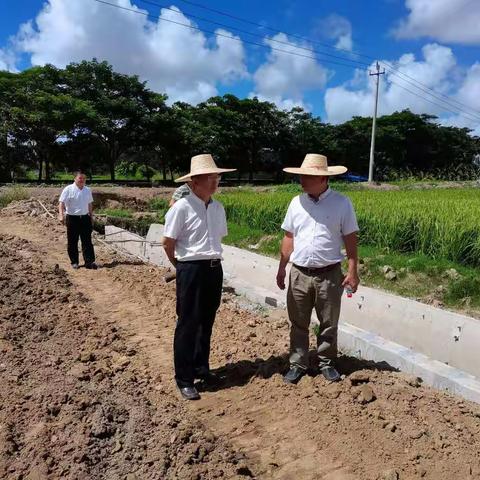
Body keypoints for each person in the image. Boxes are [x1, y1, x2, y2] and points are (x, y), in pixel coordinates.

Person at [276, 154, 359, 384]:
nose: (302, 180)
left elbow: (350, 238)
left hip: (330, 273)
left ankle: (327, 362)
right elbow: (288, 237)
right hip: (300, 273)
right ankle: (297, 363)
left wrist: (352, 270)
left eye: (308, 176)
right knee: (298, 322)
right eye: (301, 175)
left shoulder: (342, 203)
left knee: (329, 322)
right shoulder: (296, 202)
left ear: (323, 178)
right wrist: (282, 267)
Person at [162, 154, 236, 400]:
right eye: (210, 177)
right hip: (190, 268)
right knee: (187, 323)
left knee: (207, 320)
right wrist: (180, 265)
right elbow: (168, 242)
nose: (215, 182)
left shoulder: (217, 208)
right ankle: (184, 378)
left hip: (214, 268)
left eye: (217, 177)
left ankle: (201, 367)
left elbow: (218, 239)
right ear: (194, 181)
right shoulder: (182, 207)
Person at [58, 170, 97, 270]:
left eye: (84, 178)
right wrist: (61, 215)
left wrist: (91, 217)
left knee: (87, 241)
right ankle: (74, 262)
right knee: (72, 241)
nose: (82, 180)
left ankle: (89, 262)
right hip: (72, 218)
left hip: (85, 218)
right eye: (80, 178)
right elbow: (61, 203)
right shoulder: (68, 189)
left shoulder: (87, 190)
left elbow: (89, 204)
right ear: (75, 178)